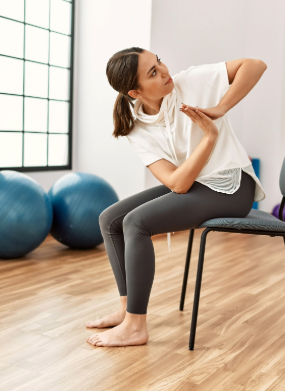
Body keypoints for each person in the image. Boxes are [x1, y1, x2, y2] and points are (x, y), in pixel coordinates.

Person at [86, 47, 267, 347]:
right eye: (153, 73)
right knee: (111, 220)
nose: (165, 71)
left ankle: (135, 326)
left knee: (136, 223)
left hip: (232, 186)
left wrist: (221, 109)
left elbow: (256, 64)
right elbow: (176, 183)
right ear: (135, 92)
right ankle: (125, 309)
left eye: (159, 62)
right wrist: (209, 139)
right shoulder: (135, 126)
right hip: (196, 184)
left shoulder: (191, 82)